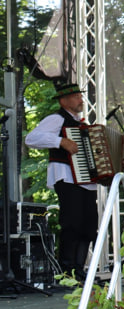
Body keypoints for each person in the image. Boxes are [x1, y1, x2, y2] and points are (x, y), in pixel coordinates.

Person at [24, 83, 98, 279]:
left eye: (80, 96)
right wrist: (60, 141)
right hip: (65, 175)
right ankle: (67, 270)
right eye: (76, 96)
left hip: (85, 180)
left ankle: (78, 269)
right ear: (63, 100)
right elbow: (31, 139)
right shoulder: (56, 119)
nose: (81, 100)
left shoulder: (82, 124)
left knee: (89, 225)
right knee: (72, 223)